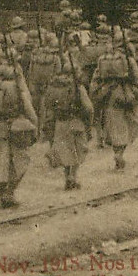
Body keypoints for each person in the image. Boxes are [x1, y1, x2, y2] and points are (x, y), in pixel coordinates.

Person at [0, 64, 37, 209]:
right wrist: (35, 128)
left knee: (1, 166)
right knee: (22, 161)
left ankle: (3, 196)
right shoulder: (18, 91)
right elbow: (30, 112)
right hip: (15, 130)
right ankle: (10, 193)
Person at [90, 31, 138, 170]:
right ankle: (120, 153)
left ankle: (116, 151)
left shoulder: (103, 59)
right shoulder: (128, 59)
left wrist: (96, 94)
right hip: (126, 94)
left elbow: (95, 79)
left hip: (108, 94)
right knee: (133, 121)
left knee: (113, 124)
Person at [40, 60, 94, 190]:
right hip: (76, 122)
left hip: (60, 123)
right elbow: (88, 108)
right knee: (78, 150)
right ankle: (73, 176)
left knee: (65, 152)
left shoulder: (54, 86)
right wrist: (89, 123)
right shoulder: (77, 87)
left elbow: (47, 107)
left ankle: (67, 176)